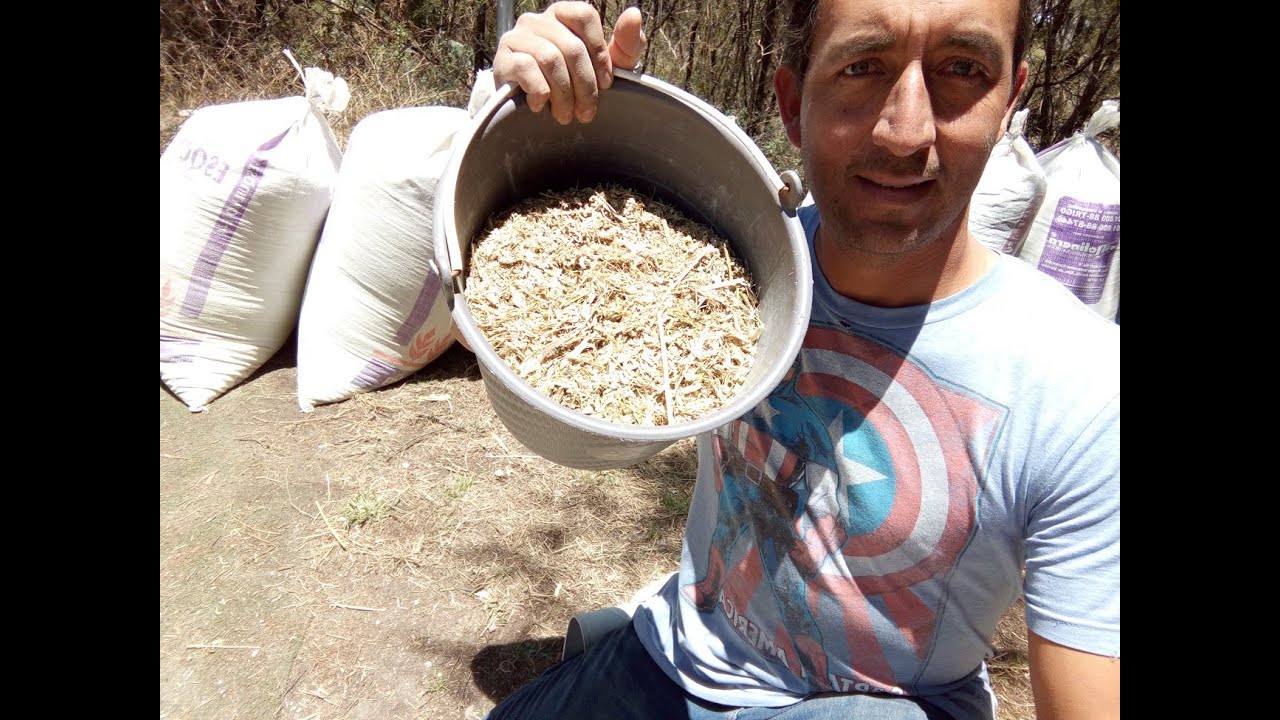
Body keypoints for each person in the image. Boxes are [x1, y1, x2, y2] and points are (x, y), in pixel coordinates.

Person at [481, 1, 1119, 718]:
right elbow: (526, 277)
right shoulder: (731, 259)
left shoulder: (1083, 392)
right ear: (791, 104)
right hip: (676, 652)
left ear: (1008, 103)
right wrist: (545, 105)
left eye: (963, 70)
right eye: (862, 66)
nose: (907, 131)